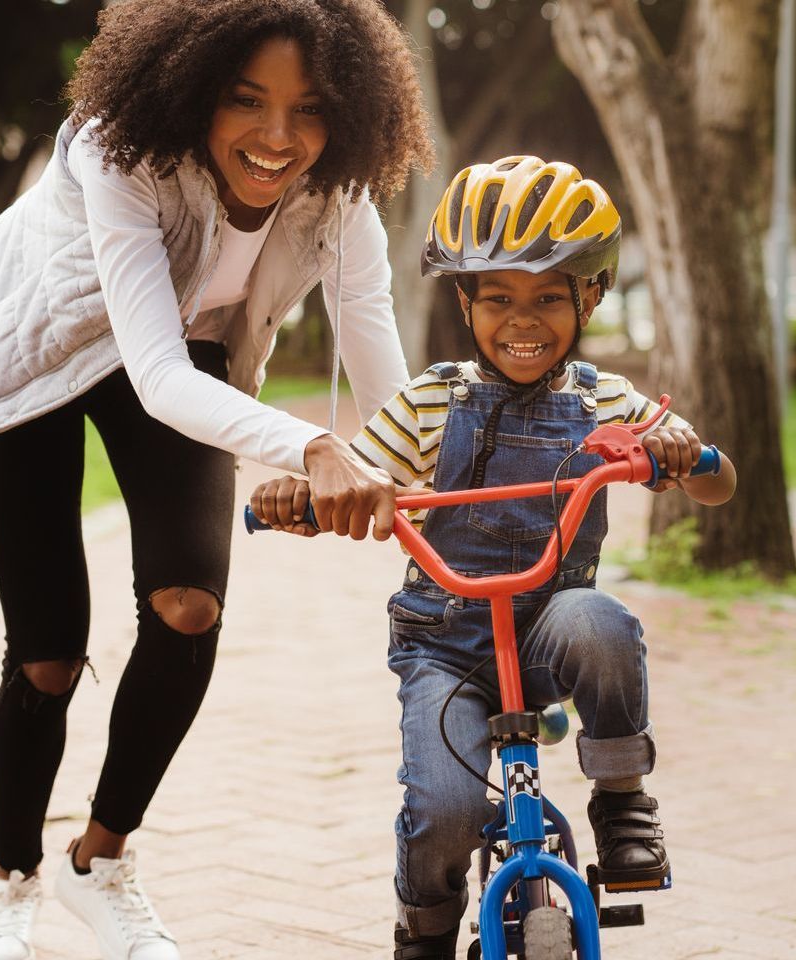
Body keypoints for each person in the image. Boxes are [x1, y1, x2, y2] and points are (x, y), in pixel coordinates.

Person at [0, 2, 433, 958]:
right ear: (193, 86)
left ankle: (99, 860)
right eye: (246, 101)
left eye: (310, 110)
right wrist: (312, 449)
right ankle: (10, 883)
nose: (278, 138)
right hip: (40, 345)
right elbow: (154, 376)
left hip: (181, 352)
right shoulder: (116, 149)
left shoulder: (340, 196)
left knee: (188, 605)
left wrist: (434, 468)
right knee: (46, 653)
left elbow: (381, 375)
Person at [249, 156, 739, 960]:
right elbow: (361, 477)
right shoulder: (431, 401)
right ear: (465, 301)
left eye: (549, 297)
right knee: (443, 812)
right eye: (500, 298)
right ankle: (426, 928)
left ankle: (621, 802)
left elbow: (719, 487)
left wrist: (686, 454)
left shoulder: (604, 401)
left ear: (591, 297)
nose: (525, 319)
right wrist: (302, 496)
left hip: (551, 632)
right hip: (446, 644)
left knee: (603, 621)